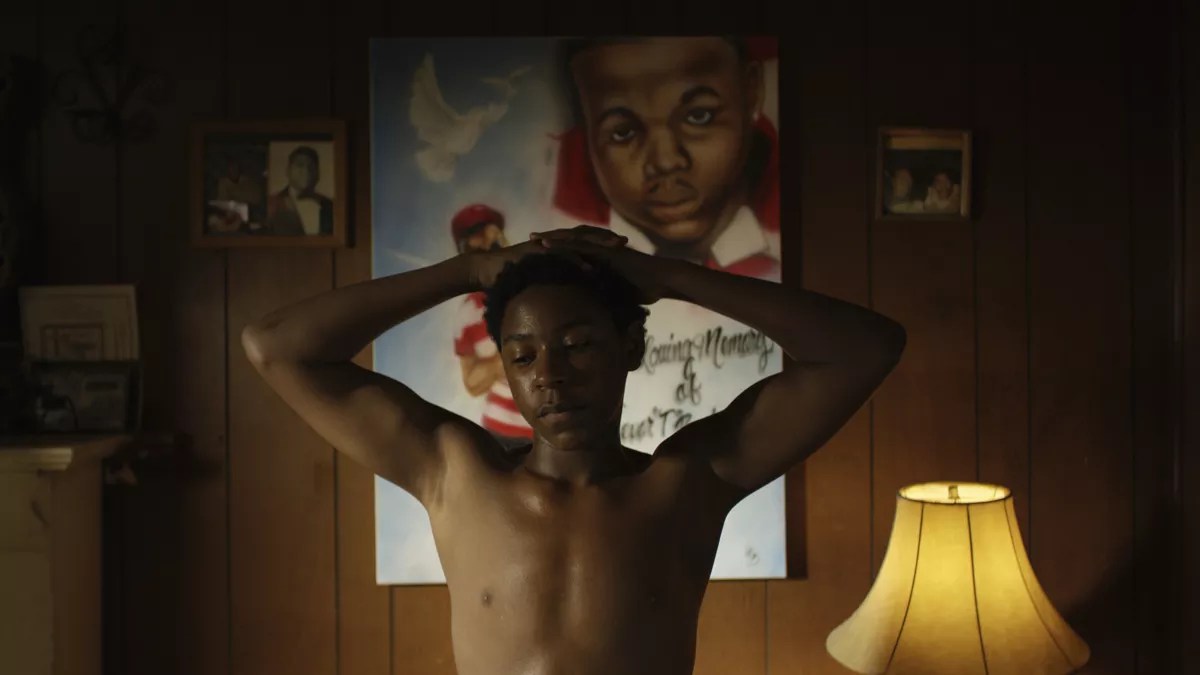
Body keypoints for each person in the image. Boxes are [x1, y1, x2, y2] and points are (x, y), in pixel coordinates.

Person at [242, 225, 905, 674]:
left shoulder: (689, 481)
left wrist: (667, 275)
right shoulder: (454, 472)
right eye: (522, 356)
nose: (550, 376)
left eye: (579, 345)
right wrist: (467, 270)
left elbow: (867, 348)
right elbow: (274, 347)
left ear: (630, 347)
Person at [551, 37, 781, 281]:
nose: (665, 162)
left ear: (751, 92)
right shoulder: (565, 264)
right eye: (623, 132)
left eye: (699, 116)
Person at [449, 203, 534, 445]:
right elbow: (472, 384)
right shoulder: (468, 313)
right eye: (477, 246)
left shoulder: (532, 291)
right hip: (499, 432)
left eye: (494, 242)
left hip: (548, 427)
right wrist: (502, 361)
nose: (490, 252)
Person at [266, 146, 334, 235]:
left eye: (311, 166)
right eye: (300, 165)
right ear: (288, 170)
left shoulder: (331, 206)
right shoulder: (271, 205)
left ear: (318, 173)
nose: (306, 171)